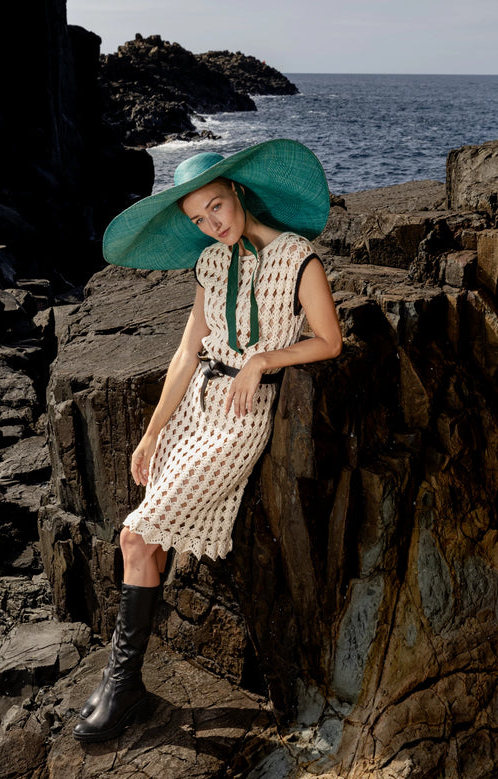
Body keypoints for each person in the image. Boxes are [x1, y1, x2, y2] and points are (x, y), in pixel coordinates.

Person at [73, 139, 342, 743]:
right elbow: (186, 353)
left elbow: (329, 340)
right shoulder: (211, 263)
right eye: (198, 218)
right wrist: (152, 432)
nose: (212, 224)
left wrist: (262, 360)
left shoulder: (299, 258)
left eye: (216, 207)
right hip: (193, 410)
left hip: (240, 417)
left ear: (238, 192)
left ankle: (122, 685)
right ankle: (125, 684)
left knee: (135, 536)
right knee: (144, 541)